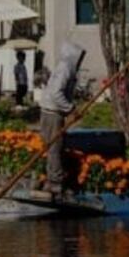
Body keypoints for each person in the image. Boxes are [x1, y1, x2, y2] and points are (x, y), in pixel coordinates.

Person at [39, 42, 86, 196]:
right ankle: (55, 182)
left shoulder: (63, 67)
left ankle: (52, 179)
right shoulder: (65, 68)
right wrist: (71, 108)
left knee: (52, 147)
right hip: (53, 112)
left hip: (48, 110)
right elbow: (56, 93)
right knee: (54, 147)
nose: (80, 62)